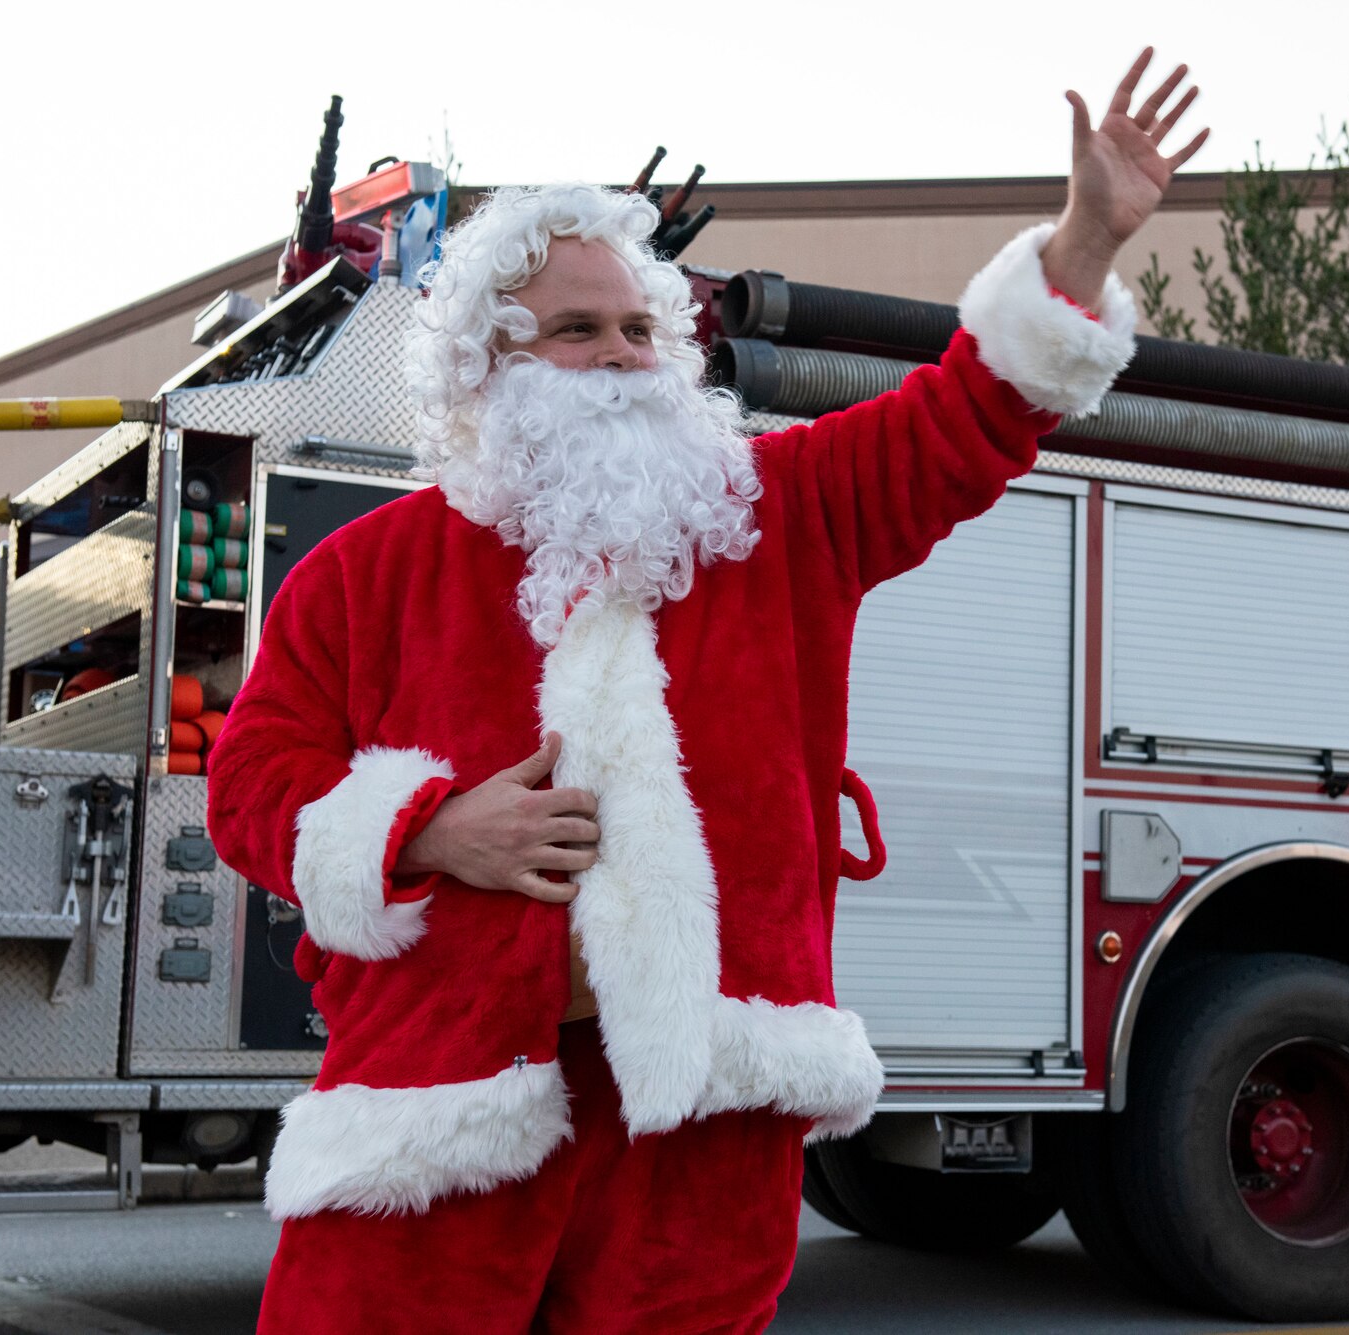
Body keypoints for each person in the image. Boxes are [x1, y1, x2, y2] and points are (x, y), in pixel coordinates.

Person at [207, 48, 1207, 1335]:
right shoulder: (366, 575)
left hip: (700, 1108)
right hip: (439, 1109)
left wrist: (1081, 239)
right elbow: (252, 791)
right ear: (483, 373)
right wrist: (429, 828)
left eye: (639, 327)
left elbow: (967, 415)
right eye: (576, 331)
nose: (622, 356)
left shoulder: (773, 520)